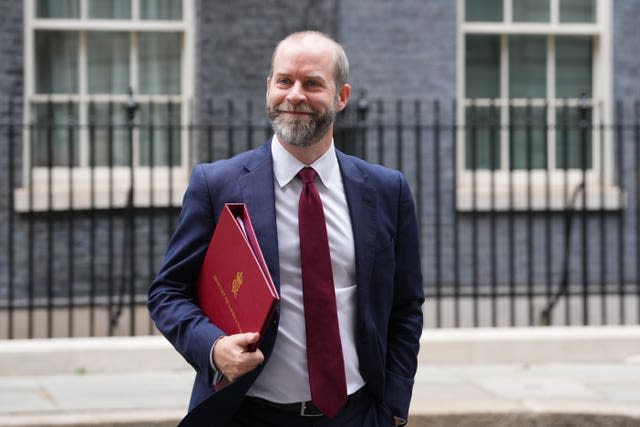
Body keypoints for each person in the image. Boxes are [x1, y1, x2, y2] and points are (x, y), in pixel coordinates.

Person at [148, 31, 424, 427]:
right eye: (284, 81)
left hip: (357, 415)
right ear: (269, 88)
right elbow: (167, 292)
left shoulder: (385, 191)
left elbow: (406, 305)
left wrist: (395, 407)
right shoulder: (217, 185)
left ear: (341, 96)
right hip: (248, 414)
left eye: (312, 83)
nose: (295, 95)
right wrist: (213, 347)